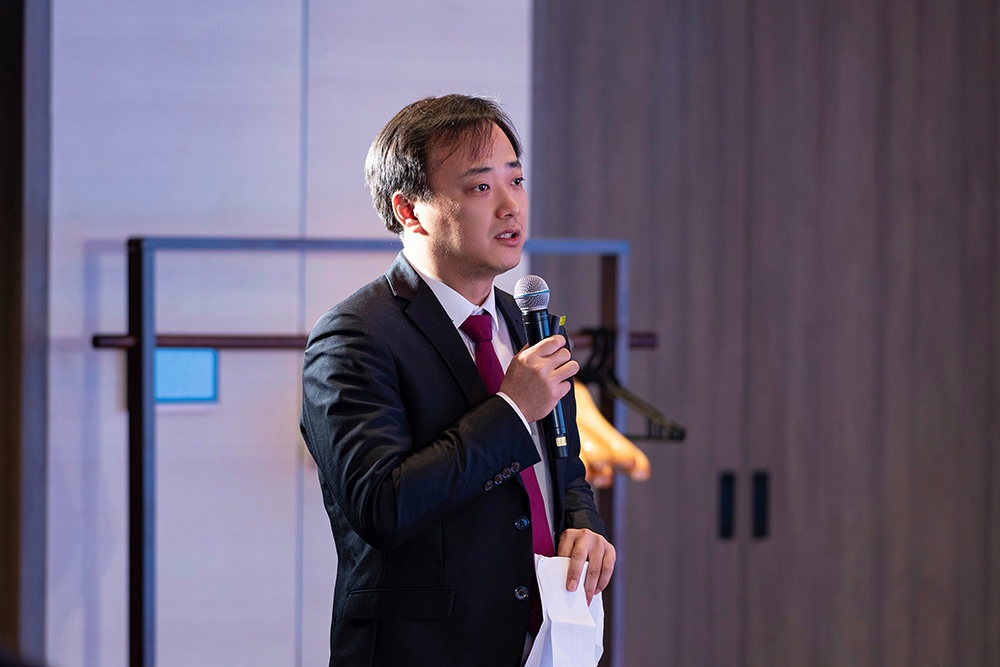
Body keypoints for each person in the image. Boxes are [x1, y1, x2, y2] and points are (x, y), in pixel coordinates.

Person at [300, 94, 615, 667]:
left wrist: (583, 522)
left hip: (544, 641)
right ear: (410, 211)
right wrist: (511, 409)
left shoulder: (526, 322)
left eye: (516, 180)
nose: (510, 206)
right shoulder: (353, 336)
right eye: (481, 187)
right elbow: (382, 506)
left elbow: (565, 466)